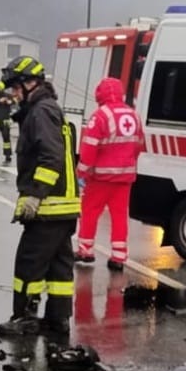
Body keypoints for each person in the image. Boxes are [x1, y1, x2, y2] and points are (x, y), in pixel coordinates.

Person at [0, 55, 80, 339]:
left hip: (48, 208)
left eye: (16, 87)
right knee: (59, 267)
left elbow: (51, 158)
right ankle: (58, 320)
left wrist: (34, 196)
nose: (14, 93)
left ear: (31, 83)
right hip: (63, 209)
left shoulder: (41, 111)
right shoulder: (49, 108)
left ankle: (24, 318)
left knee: (28, 264)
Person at [75, 77, 146, 271]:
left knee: (90, 211)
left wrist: (81, 172)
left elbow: (89, 148)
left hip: (101, 178)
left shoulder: (100, 116)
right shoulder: (133, 115)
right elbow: (139, 145)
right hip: (125, 178)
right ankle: (119, 256)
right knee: (120, 216)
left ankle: (85, 250)